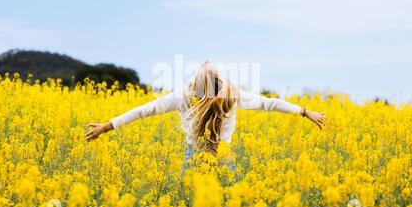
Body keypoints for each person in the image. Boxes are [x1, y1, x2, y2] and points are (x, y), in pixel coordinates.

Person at [85, 62, 326, 174]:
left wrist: (107, 126)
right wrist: (306, 112)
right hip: (224, 156)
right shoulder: (231, 96)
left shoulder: (184, 96)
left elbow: (143, 111)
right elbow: (269, 104)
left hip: (193, 157)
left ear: (196, 84)